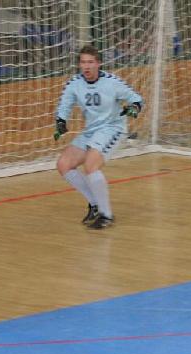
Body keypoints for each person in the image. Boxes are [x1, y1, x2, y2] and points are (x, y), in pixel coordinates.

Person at [53, 44, 144, 229]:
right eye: (83, 62)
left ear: (98, 64)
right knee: (63, 164)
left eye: (90, 62)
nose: (86, 66)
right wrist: (61, 121)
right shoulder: (74, 83)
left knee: (90, 165)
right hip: (91, 131)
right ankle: (95, 204)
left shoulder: (112, 82)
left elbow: (136, 99)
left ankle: (106, 215)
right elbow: (64, 105)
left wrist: (134, 107)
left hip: (112, 128)